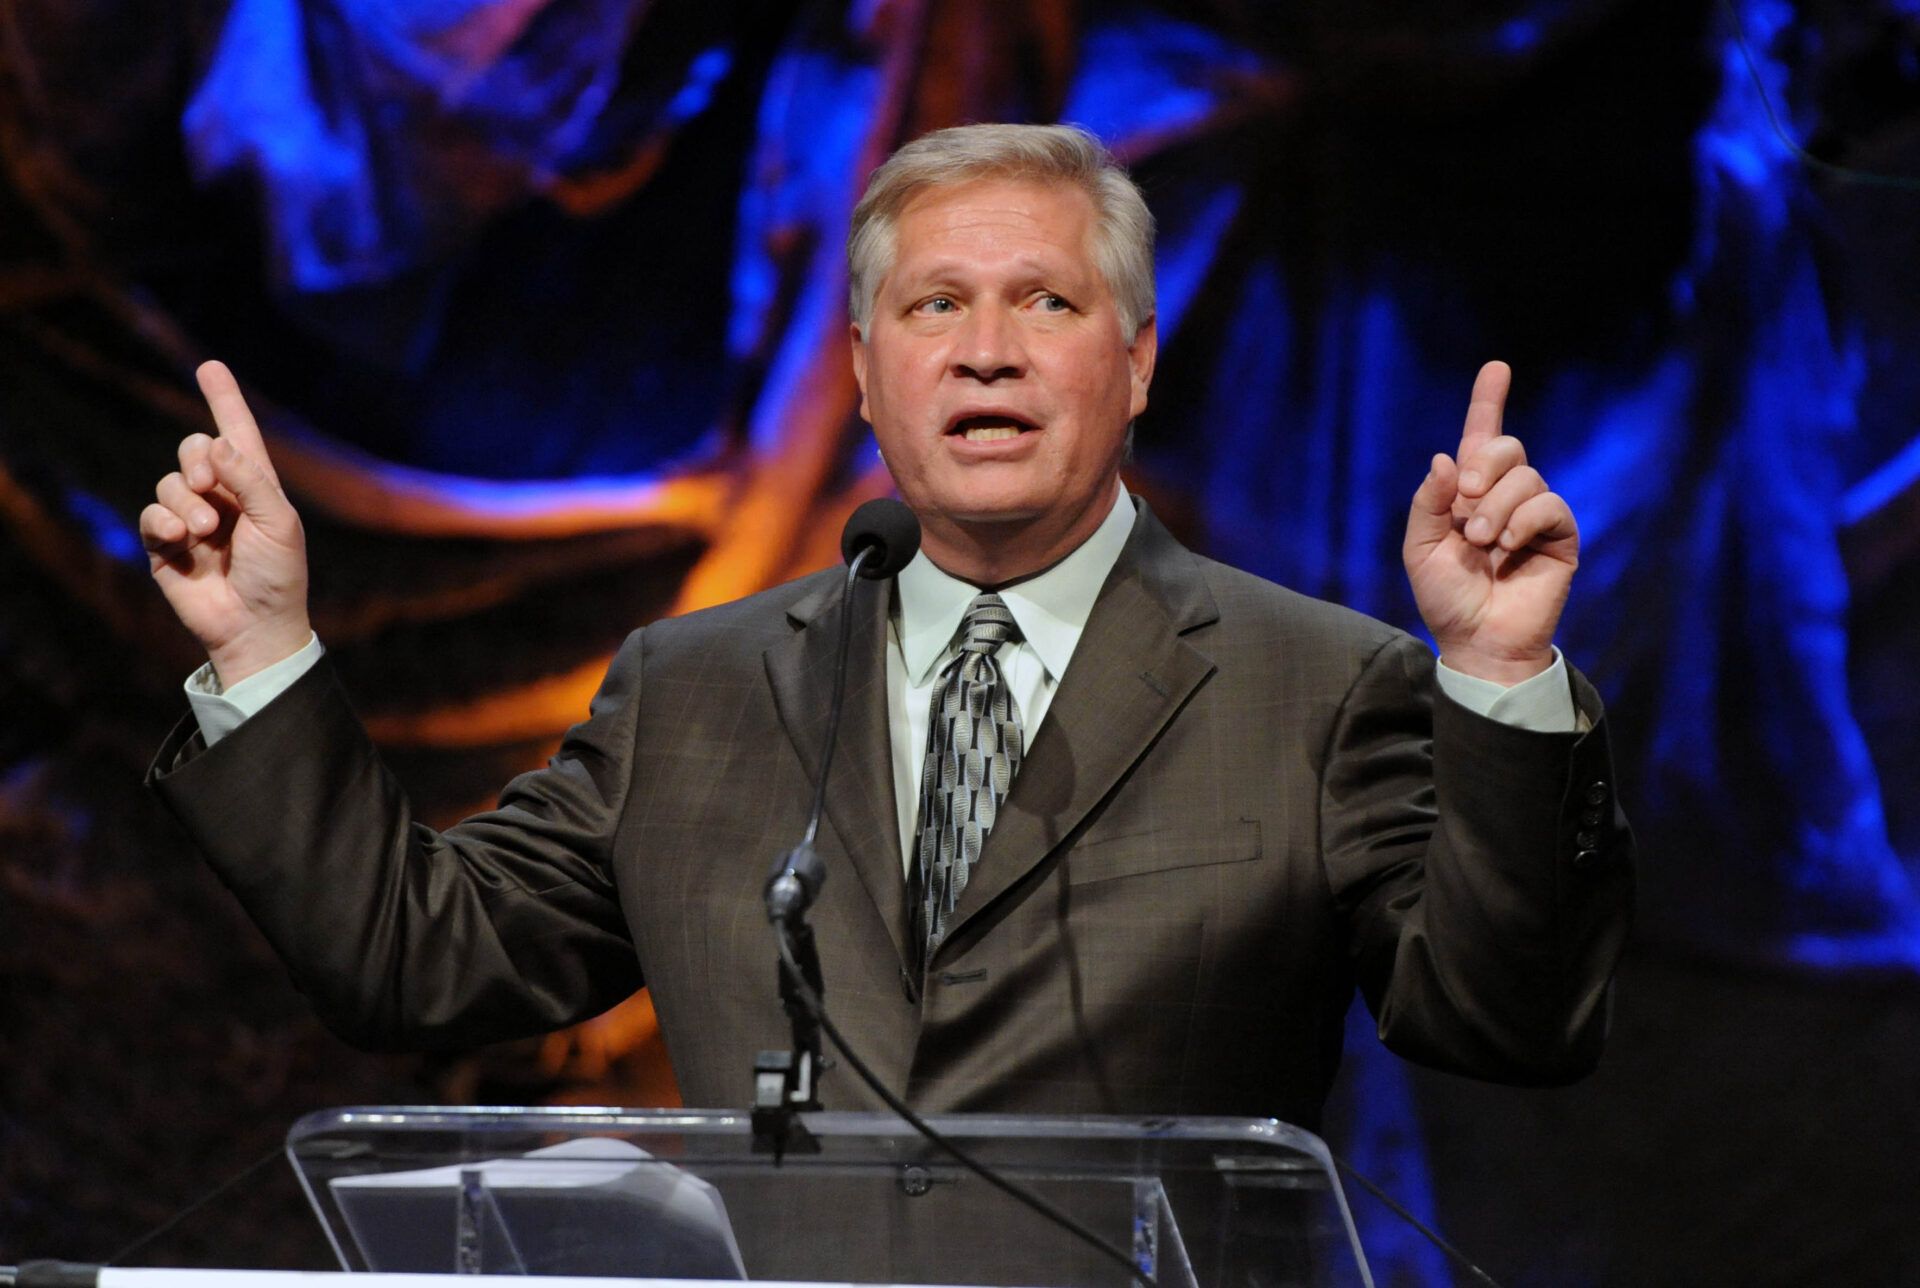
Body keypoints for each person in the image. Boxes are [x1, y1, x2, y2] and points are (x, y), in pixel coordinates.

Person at [142, 124, 1630, 1131]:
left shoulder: (1316, 682)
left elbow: (1505, 1021)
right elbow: (417, 963)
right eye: (934, 308)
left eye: (1044, 301)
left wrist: (1497, 675)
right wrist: (263, 648)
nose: (985, 351)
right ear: (862, 372)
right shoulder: (697, 687)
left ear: (1136, 363)